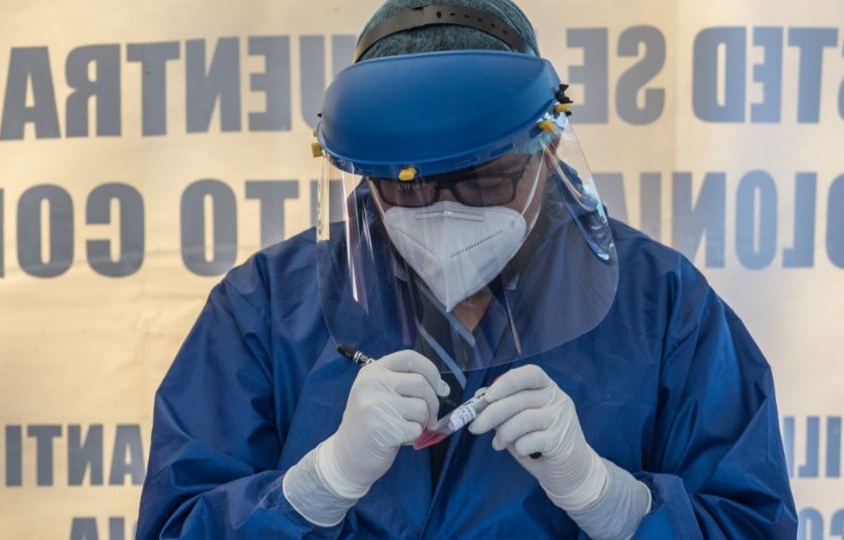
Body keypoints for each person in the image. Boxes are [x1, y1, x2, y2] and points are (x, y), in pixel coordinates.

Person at [136, 1, 797, 538]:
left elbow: (750, 522)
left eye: (483, 178)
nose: (443, 209)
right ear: (364, 176)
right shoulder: (266, 309)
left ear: (548, 145)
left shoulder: (663, 309)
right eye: (408, 184)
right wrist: (317, 485)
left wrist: (613, 502)